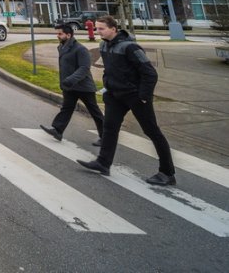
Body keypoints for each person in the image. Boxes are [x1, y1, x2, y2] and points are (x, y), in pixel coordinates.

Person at [77, 15, 176, 185]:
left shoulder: (130, 47)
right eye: (96, 28)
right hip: (115, 95)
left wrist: (144, 96)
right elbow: (109, 69)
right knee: (109, 128)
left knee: (152, 131)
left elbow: (150, 73)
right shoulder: (103, 45)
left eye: (101, 28)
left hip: (135, 95)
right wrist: (107, 87)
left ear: (113, 29)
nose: (97, 31)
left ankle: (167, 173)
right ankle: (103, 163)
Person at [40, 23, 104, 146]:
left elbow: (84, 68)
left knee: (94, 112)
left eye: (60, 34)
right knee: (67, 108)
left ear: (68, 35)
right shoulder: (61, 47)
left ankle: (105, 137)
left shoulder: (80, 49)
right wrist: (65, 82)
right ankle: (58, 130)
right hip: (69, 86)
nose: (57, 36)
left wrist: (70, 79)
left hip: (84, 87)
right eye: (57, 33)